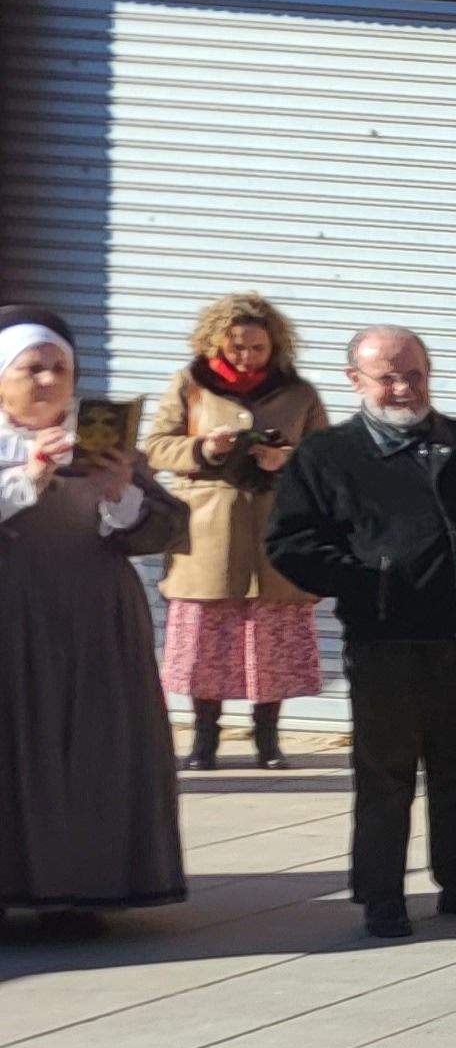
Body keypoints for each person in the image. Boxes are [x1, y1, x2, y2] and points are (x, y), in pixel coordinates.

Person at [265, 325, 456, 940]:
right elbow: (291, 544)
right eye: (387, 376)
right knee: (385, 774)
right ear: (356, 381)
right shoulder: (326, 456)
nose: (403, 386)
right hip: (386, 639)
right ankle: (381, 895)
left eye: (414, 373)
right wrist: (366, 582)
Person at [0, 310, 189, 928]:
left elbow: (168, 528)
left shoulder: (108, 448)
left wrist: (121, 494)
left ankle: (81, 891)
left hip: (93, 628)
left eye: (60, 368)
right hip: (10, 626)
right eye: (32, 368)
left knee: (93, 754)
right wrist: (27, 479)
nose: (49, 380)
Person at [145, 292, 327, 772]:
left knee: (269, 643)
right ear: (216, 343)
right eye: (237, 347)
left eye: (257, 348)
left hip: (275, 533)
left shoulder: (300, 394)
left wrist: (285, 459)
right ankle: (204, 743)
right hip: (208, 537)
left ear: (275, 347)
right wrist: (204, 447)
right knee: (209, 644)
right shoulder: (191, 385)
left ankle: (268, 742)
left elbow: (326, 460)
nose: (246, 357)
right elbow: (158, 447)